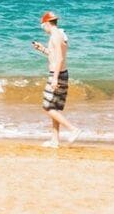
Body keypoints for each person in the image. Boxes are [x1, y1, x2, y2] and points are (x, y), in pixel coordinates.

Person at [30, 10, 78, 145]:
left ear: (46, 23)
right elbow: (55, 55)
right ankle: (55, 140)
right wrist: (42, 49)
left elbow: (60, 58)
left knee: (47, 107)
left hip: (56, 74)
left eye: (42, 26)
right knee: (54, 107)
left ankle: (73, 129)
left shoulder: (55, 36)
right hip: (62, 73)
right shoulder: (60, 34)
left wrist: (55, 78)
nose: (43, 29)